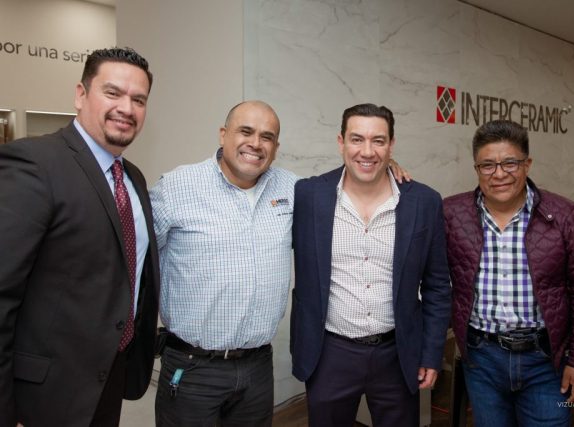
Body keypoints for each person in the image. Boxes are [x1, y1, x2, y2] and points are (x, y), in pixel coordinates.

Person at [151, 100, 410, 426]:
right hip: (193, 366)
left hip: (257, 368)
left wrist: (385, 167)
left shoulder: (294, 190)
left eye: (267, 137)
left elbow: (347, 180)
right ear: (223, 134)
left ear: (275, 147)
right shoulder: (176, 187)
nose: (255, 144)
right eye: (246, 132)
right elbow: (137, 264)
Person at [0, 47, 160, 427]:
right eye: (113, 92)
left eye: (138, 100)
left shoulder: (133, 178)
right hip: (42, 395)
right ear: (80, 94)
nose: (126, 108)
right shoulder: (34, 163)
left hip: (108, 377)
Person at [290, 103, 452, 427]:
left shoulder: (423, 202)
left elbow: (437, 287)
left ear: (391, 145)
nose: (367, 151)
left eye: (378, 141)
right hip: (329, 353)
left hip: (398, 353)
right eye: (357, 139)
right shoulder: (308, 195)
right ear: (341, 142)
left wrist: (432, 353)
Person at [443, 119, 574, 426]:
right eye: (487, 165)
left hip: (546, 359)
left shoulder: (564, 214)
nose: (499, 174)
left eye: (510, 163)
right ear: (476, 169)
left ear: (527, 164)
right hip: (481, 359)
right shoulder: (451, 214)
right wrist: (388, 168)